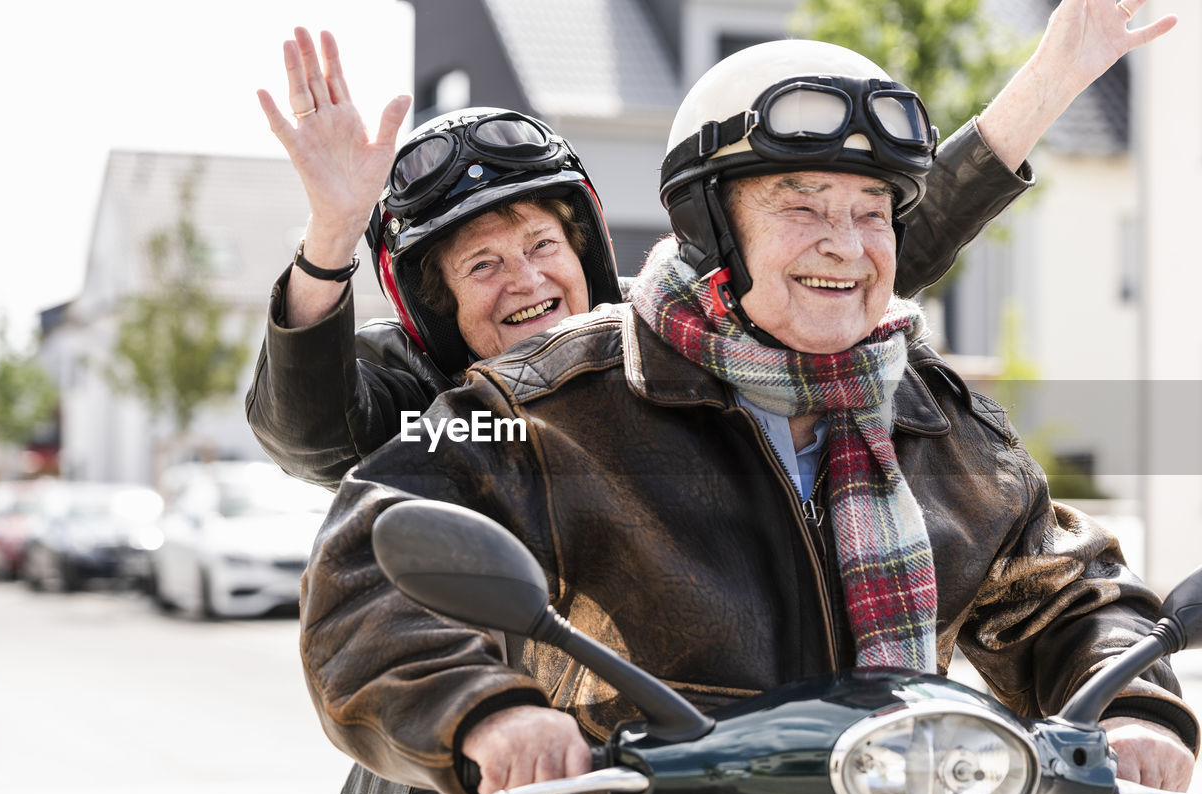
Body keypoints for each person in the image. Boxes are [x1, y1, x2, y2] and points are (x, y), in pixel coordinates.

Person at [296, 23, 1197, 794]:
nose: (845, 246)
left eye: (872, 211)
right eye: (802, 208)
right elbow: (369, 569)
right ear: (713, 227)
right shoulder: (548, 405)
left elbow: (1062, 589)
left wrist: (1129, 703)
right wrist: (486, 715)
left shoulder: (932, 413)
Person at [246, 0, 1176, 493]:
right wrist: (332, 234)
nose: (526, 281)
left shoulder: (661, 345)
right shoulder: (434, 407)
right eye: (482, 265)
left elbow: (839, 268)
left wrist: (1053, 79)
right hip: (470, 772)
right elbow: (316, 434)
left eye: (539, 244)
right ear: (436, 304)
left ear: (585, 246)